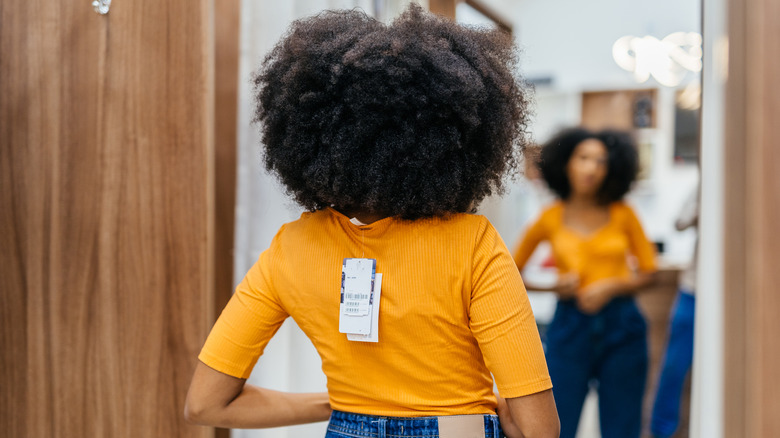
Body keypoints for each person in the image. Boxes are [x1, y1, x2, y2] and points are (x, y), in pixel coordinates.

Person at [184, 5, 559, 438]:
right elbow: (538, 429)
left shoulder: (291, 247)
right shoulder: (473, 243)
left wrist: (346, 407)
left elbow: (206, 403)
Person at [512, 127, 657, 438]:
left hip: (623, 328)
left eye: (601, 161)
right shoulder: (549, 217)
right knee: (558, 425)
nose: (592, 167)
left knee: (623, 428)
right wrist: (554, 286)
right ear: (566, 163)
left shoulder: (624, 214)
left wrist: (610, 286)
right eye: (584, 158)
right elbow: (510, 273)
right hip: (570, 327)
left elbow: (649, 272)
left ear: (613, 168)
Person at [650, 187, 698, 438]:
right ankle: (661, 432)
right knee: (673, 368)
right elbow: (679, 223)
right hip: (693, 291)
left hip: (730, 295)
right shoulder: (705, 188)